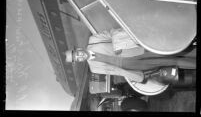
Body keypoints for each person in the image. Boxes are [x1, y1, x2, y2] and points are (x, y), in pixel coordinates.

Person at [65, 28, 196, 85]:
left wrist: (117, 45)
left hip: (134, 50)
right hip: (131, 66)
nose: (80, 56)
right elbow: (116, 71)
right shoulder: (94, 68)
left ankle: (193, 51)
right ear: (78, 61)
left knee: (167, 51)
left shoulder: (93, 40)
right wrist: (134, 76)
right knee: (170, 63)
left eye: (77, 54)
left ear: (78, 49)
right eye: (77, 58)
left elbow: (112, 32)